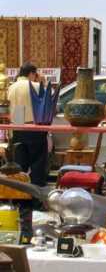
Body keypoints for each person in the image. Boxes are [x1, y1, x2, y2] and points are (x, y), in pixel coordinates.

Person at [7, 62, 47, 242]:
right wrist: (41, 83)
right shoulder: (37, 86)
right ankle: (37, 202)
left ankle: (19, 201)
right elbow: (45, 106)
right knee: (38, 167)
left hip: (18, 128)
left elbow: (13, 110)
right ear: (32, 73)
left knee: (20, 169)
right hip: (35, 128)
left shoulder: (12, 86)